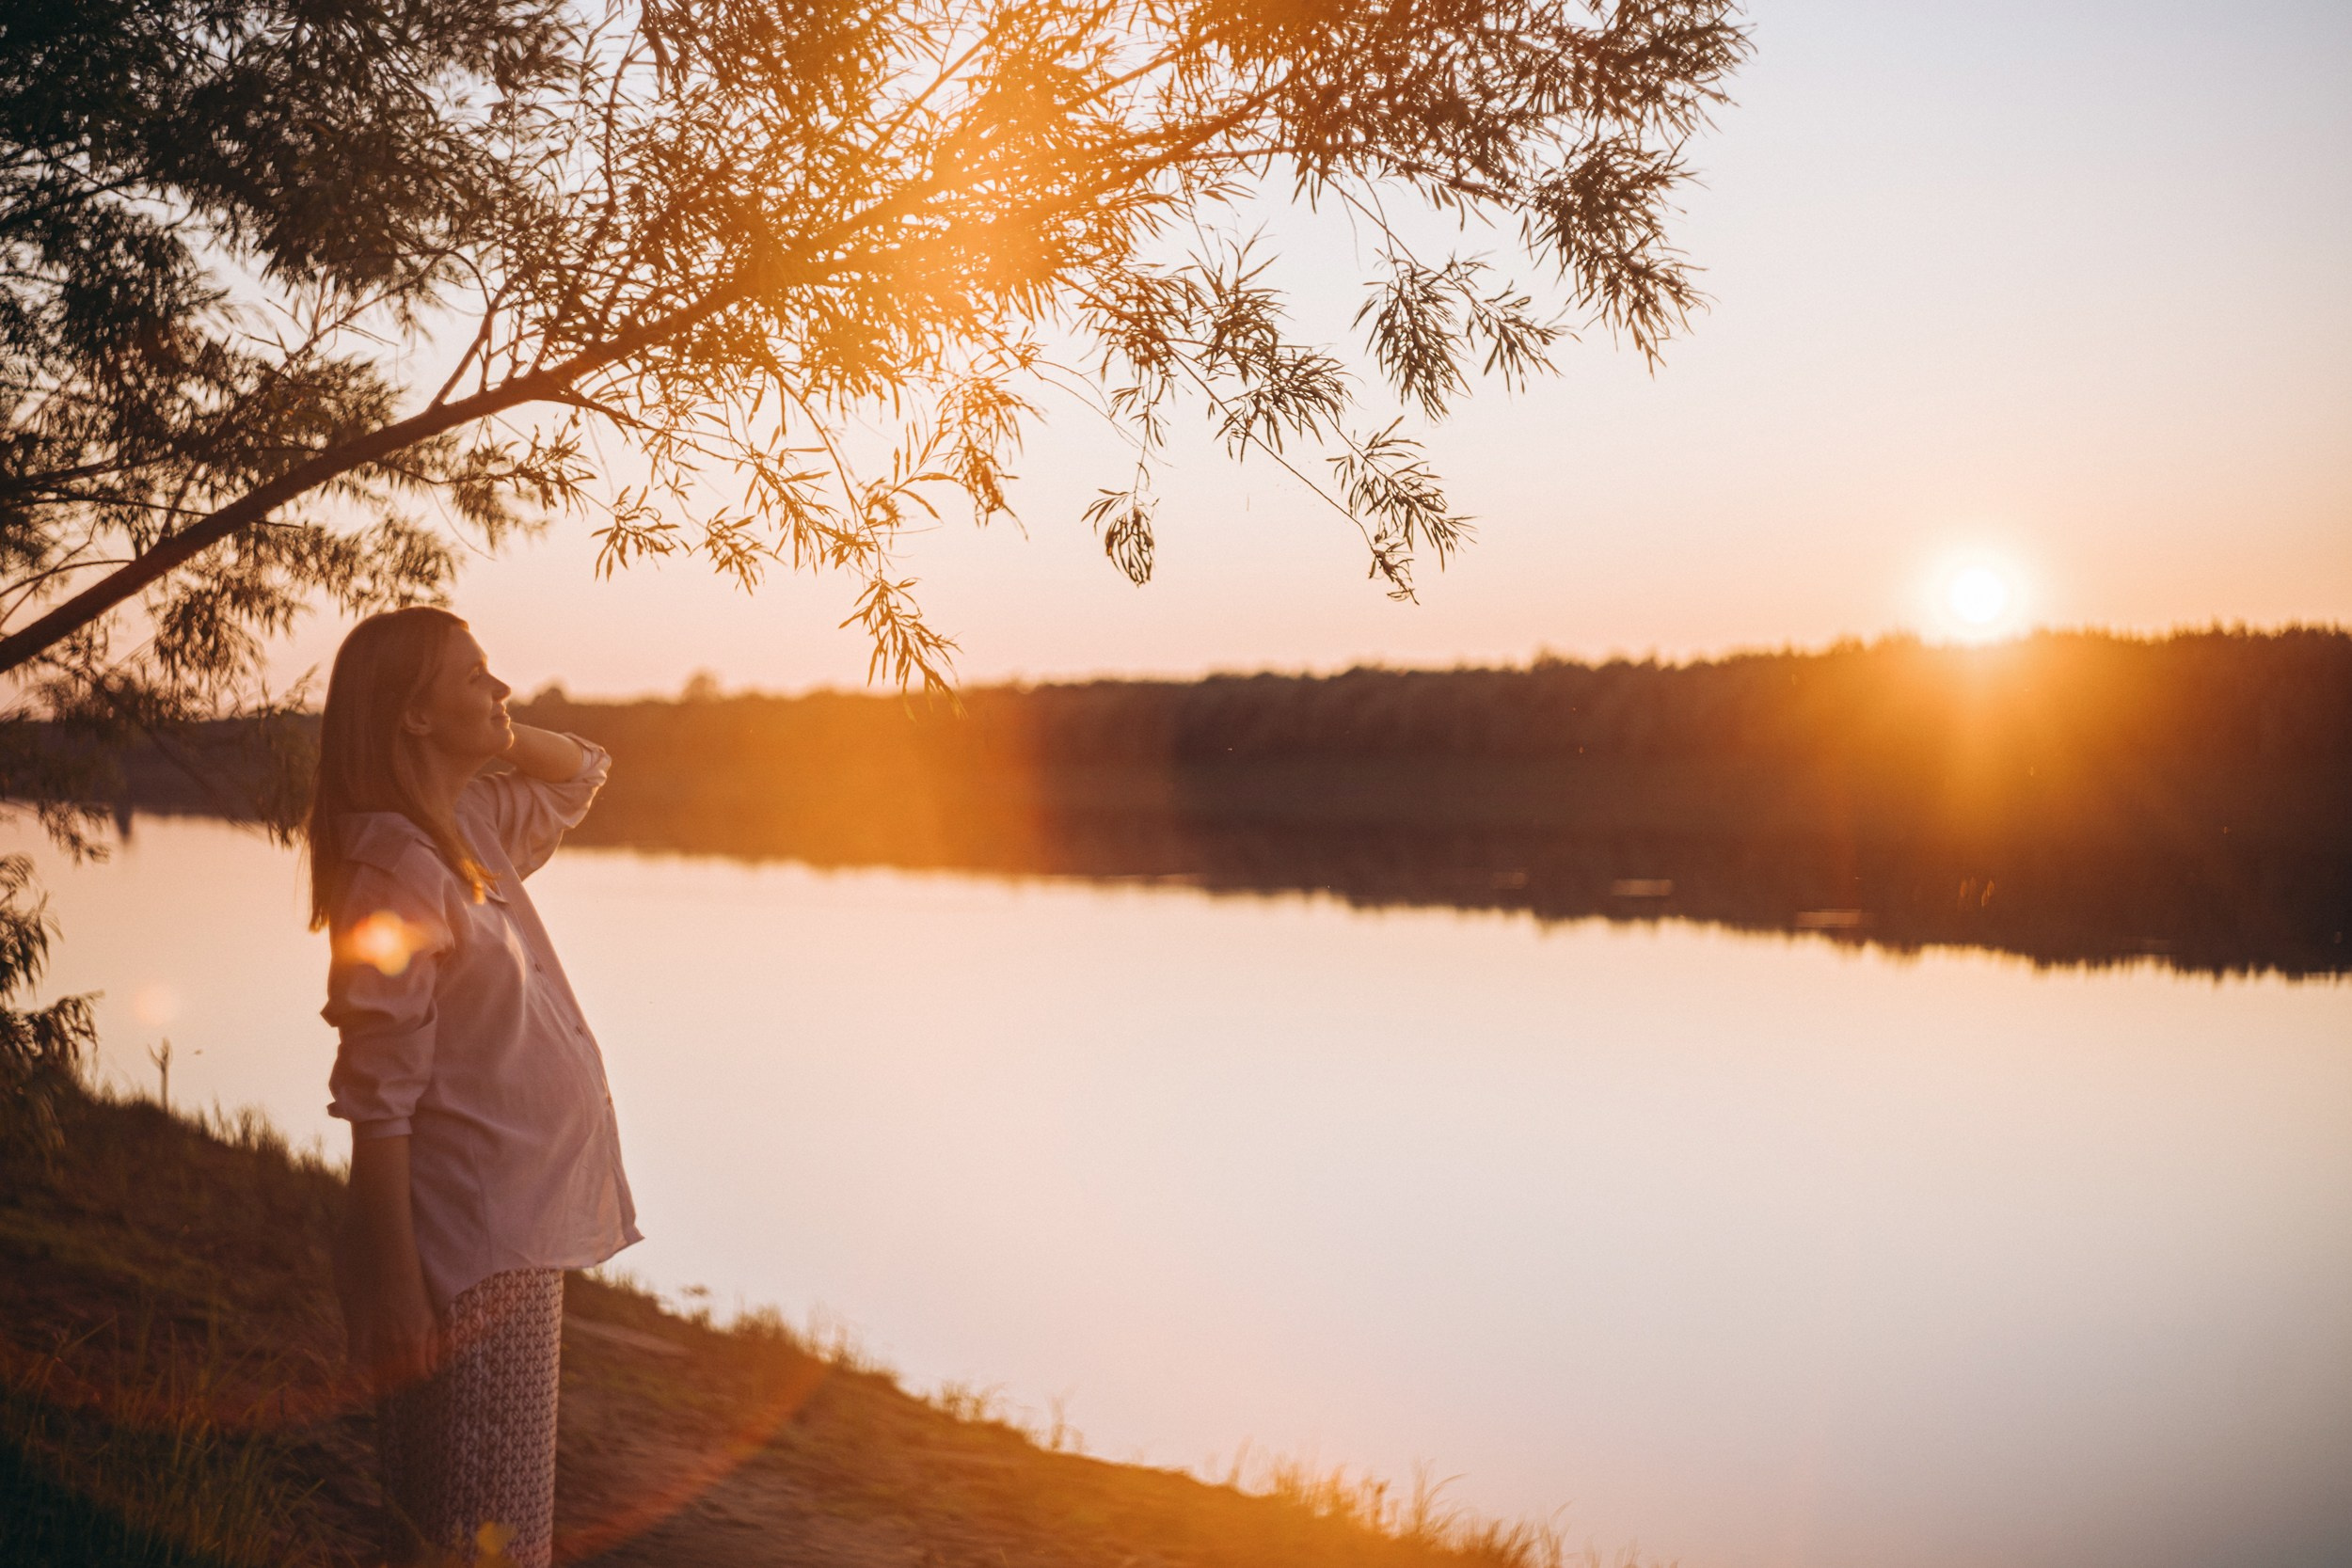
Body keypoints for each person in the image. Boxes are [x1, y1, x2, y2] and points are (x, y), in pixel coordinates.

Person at [306, 605, 639, 1568]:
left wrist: (491, 731)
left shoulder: (472, 824)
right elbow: (378, 1097)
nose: (501, 689)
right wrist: (396, 1281)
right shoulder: (393, 875)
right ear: (412, 716)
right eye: (474, 676)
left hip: (514, 1234)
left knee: (485, 1527)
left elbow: (582, 768)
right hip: (468, 1250)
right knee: (477, 1536)